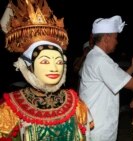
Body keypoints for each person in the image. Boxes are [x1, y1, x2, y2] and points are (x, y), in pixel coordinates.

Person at [0, 0, 93, 140]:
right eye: (45, 61)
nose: (54, 68)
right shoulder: (10, 109)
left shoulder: (75, 104)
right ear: (28, 65)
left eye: (59, 61)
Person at [78, 15, 133, 141]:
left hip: (97, 124)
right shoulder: (100, 60)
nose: (116, 41)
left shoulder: (95, 56)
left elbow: (117, 81)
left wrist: (132, 67)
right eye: (115, 38)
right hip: (98, 129)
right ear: (106, 38)